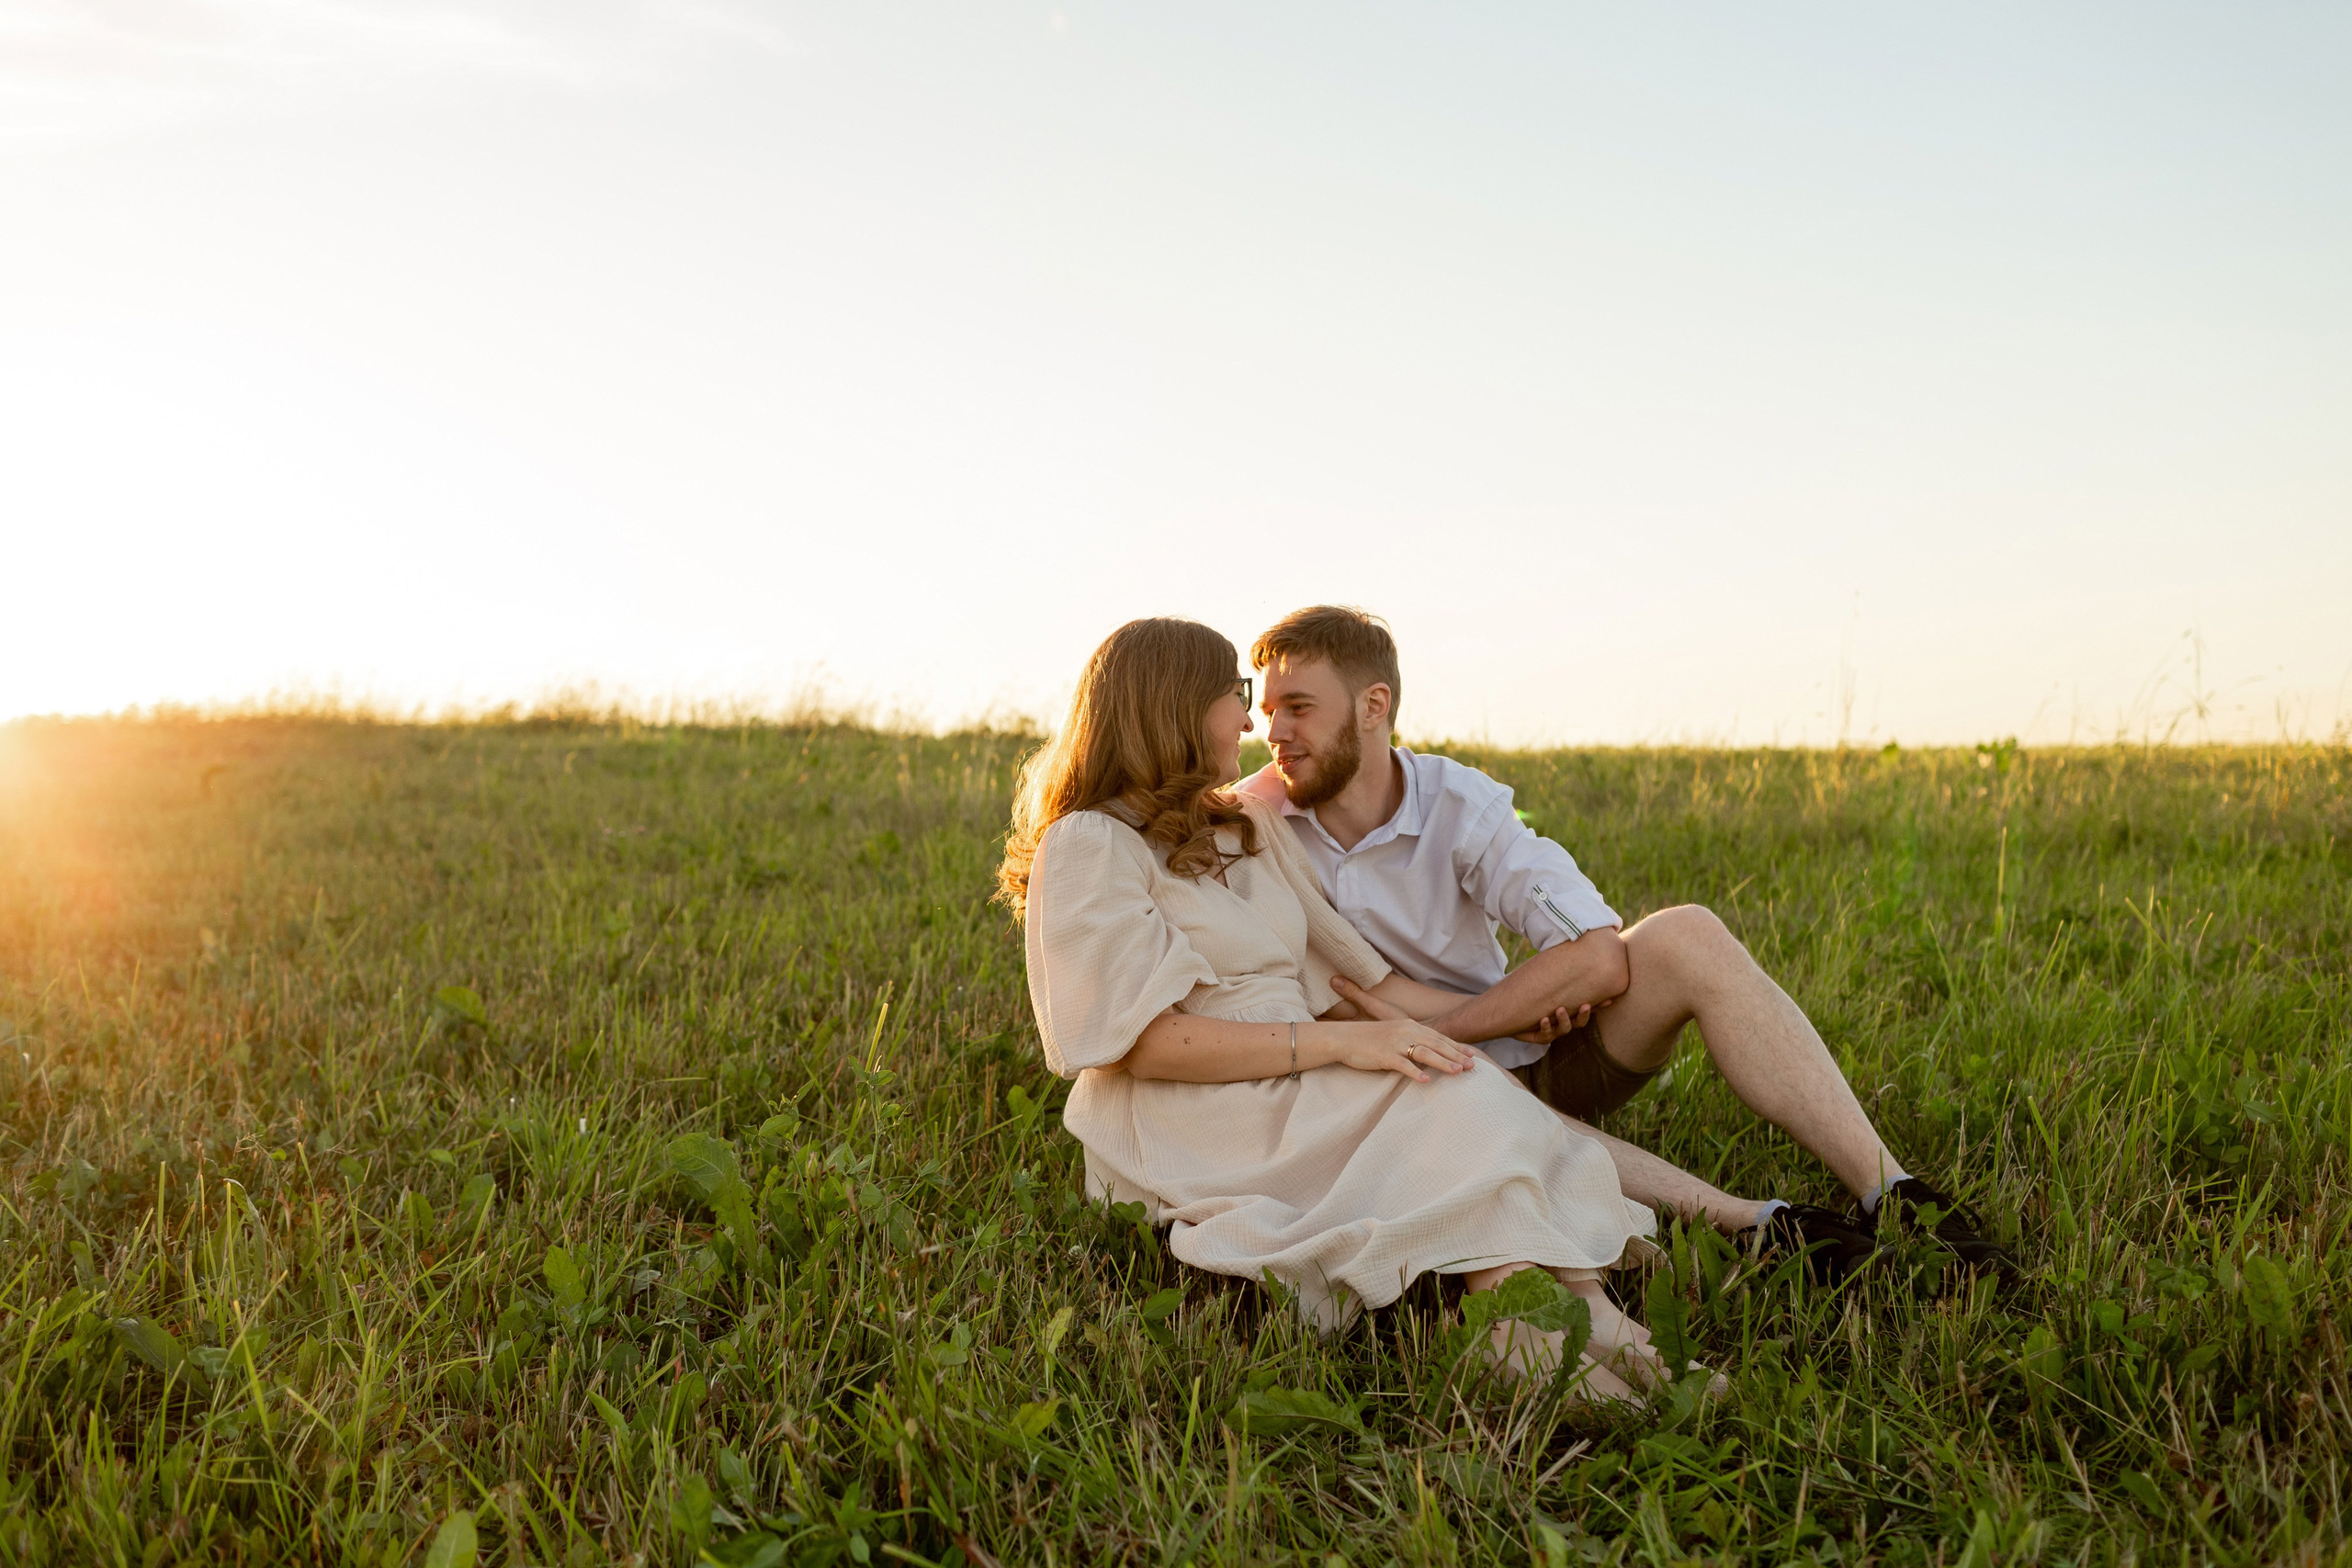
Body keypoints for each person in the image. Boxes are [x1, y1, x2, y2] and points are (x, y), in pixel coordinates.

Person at [1000, 616, 1714, 1400]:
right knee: (1444, 1106)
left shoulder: (1246, 827)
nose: (1250, 721)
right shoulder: (1089, 843)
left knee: (1460, 1082)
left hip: (1293, 1076)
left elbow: (1366, 986)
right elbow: (1142, 1044)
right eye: (1234, 696)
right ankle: (1530, 1330)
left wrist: (1514, 1013)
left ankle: (1570, 1313)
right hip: (1190, 1113)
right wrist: (1341, 1048)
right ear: (1169, 706)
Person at [1237, 604, 2017, 1285]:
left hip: (1516, 1048)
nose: (1274, 733)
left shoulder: (1456, 802)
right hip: (1409, 1094)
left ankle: (1894, 1192)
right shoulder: (1254, 822)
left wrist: (1474, 1021)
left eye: (1298, 707)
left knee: (1685, 934)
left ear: (1374, 706)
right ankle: (1759, 1226)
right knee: (1449, 1075)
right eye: (1269, 710)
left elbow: (1596, 955)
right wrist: (1472, 1027)